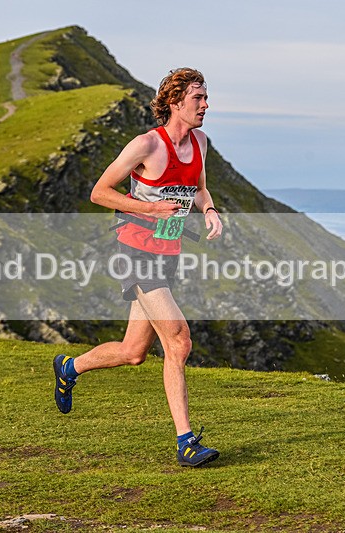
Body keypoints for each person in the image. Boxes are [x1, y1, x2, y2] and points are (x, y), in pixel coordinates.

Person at [53, 68, 223, 467]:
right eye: (198, 98)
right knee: (179, 341)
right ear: (175, 102)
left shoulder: (199, 143)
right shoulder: (147, 145)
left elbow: (198, 189)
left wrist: (210, 210)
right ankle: (186, 442)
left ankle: (69, 367)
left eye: (205, 97)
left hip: (168, 252)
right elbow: (99, 192)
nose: (206, 105)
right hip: (136, 252)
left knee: (133, 352)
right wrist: (149, 208)